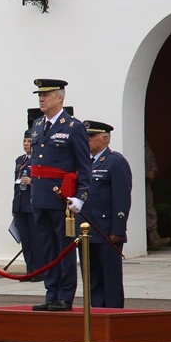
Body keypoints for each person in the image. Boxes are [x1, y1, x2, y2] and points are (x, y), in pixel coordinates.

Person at [28, 79, 91, 312]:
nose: (41, 99)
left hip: (62, 200)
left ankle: (65, 295)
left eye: (46, 95)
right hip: (40, 196)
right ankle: (51, 292)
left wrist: (81, 196)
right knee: (47, 248)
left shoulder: (73, 127)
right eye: (40, 95)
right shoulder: (37, 125)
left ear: (60, 97)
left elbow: (85, 166)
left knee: (64, 248)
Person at [83, 121, 131, 308]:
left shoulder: (115, 162)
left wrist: (118, 229)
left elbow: (122, 198)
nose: (86, 140)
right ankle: (95, 313)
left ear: (104, 139)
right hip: (87, 230)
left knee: (110, 277)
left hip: (106, 230)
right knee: (92, 277)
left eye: (90, 137)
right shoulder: (84, 163)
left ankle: (113, 314)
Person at [12, 131, 42, 281]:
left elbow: (44, 182)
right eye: (24, 141)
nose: (25, 144)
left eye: (29, 141)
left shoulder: (39, 160)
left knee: (36, 240)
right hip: (20, 205)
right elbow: (15, 185)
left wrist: (32, 182)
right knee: (26, 240)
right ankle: (29, 269)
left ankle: (38, 271)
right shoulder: (20, 160)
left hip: (32, 205)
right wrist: (14, 207)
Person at [143, 141, 171, 250]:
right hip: (133, 181)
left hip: (145, 182)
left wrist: (153, 171)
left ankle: (154, 239)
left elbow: (151, 158)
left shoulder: (144, 143)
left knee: (149, 208)